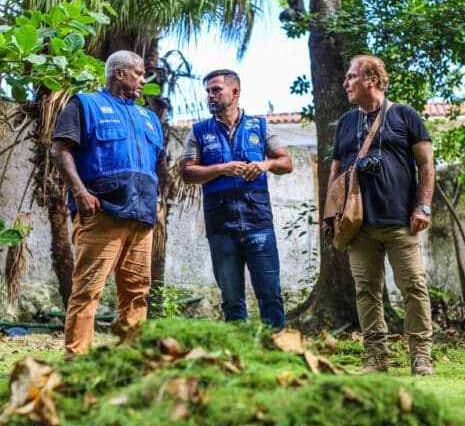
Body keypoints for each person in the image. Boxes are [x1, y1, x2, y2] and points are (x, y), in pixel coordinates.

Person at [50, 50, 166, 357]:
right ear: (119, 73)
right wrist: (79, 192)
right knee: (88, 289)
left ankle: (129, 357)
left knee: (137, 292)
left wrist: (159, 200)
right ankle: (78, 358)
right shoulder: (85, 104)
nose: (144, 79)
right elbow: (60, 151)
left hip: (141, 218)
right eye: (139, 74)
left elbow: (160, 164)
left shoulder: (149, 118)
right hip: (101, 214)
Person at [327, 55, 435, 376]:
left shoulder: (404, 115)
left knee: (414, 287)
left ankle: (421, 358)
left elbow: (426, 165)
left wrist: (423, 206)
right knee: (366, 292)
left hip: (401, 220)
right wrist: (330, 216)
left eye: (351, 77)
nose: (346, 83)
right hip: (357, 226)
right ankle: (376, 359)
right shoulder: (346, 122)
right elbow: (335, 172)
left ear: (371, 79)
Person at [181, 69, 293, 329]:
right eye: (208, 91)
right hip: (221, 227)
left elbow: (286, 162)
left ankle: (276, 353)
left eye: (216, 90)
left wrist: (265, 165)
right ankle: (239, 358)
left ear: (235, 92)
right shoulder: (199, 131)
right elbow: (187, 173)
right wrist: (221, 168)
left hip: (259, 224)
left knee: (271, 295)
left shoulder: (260, 126)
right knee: (231, 300)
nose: (210, 95)